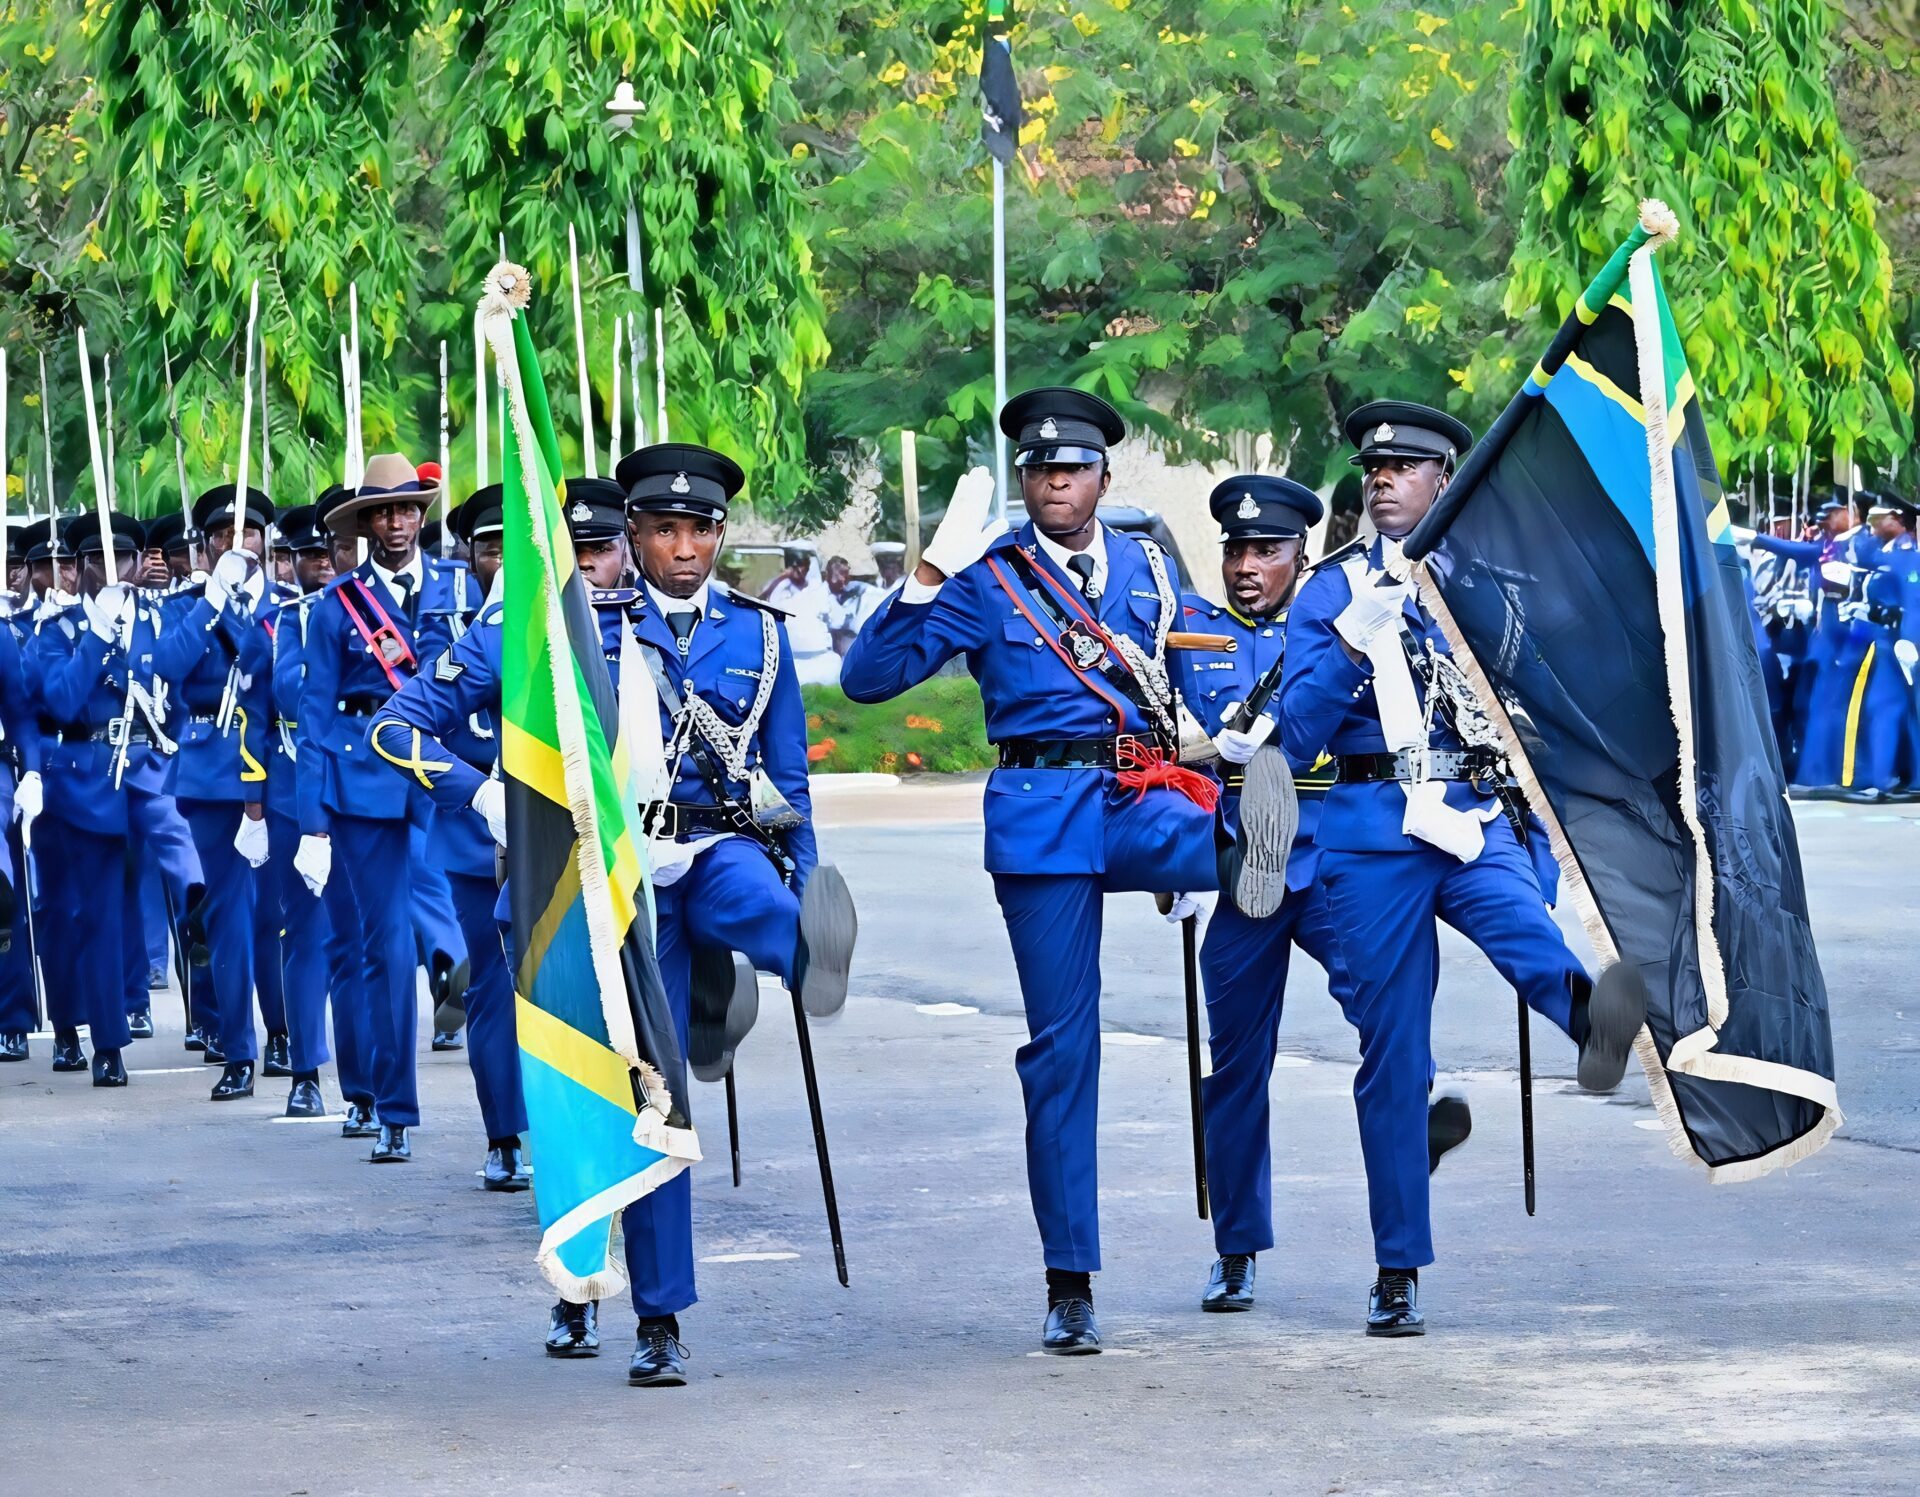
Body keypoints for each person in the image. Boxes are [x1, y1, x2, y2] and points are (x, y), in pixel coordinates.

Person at [379, 441, 856, 1386]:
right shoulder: (553, 635)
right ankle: (643, 1311)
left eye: (698, 530)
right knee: (635, 1101)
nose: (680, 547)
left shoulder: (757, 635)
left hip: (707, 852)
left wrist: (808, 876)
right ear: (632, 538)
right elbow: (398, 723)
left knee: (760, 899)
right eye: (657, 530)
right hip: (599, 891)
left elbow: (789, 778)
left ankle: (799, 953)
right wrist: (485, 797)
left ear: (720, 537)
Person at [841, 387, 1294, 1355]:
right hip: (1043, 818)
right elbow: (868, 680)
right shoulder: (986, 577)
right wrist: (926, 571)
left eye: (1073, 468)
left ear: (1102, 477)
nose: (1056, 481)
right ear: (1023, 482)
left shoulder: (1148, 571)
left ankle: (1235, 851)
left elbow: (1221, 660)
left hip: (1141, 799)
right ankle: (1069, 1282)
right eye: (1040, 470)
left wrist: (1249, 726)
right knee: (1063, 1054)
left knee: (1257, 849)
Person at [1277, 401, 1648, 1338]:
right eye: (1374, 469)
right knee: (1393, 1056)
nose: (1383, 480)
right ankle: (1397, 1265)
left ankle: (1599, 1031)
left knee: (1531, 940)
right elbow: (1298, 736)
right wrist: (1356, 644)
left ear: (1447, 481)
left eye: (1404, 468)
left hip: (1476, 818)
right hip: (1371, 831)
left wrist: (1543, 831)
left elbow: (1541, 706)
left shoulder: (1487, 582)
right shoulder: (1328, 592)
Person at [297, 453, 480, 1162]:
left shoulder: (458, 588)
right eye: (383, 511)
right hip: (363, 777)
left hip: (443, 773)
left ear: (421, 515)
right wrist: (312, 820)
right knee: (381, 946)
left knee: (461, 915)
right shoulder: (336, 603)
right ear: (367, 522)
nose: (396, 522)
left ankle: (452, 968)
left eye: (407, 509)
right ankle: (391, 1106)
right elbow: (314, 715)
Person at [371, 480, 529, 1189]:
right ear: (469, 552)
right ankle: (505, 1136)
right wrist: (478, 789)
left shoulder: (570, 618)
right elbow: (410, 717)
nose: (501, 557)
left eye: (512, 544)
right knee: (494, 990)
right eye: (488, 545)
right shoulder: (448, 620)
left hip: (565, 828)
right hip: (478, 832)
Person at [151, 484, 279, 1101]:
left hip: (274, 767)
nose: (238, 543)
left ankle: (285, 1032)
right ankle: (237, 1047)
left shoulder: (287, 603)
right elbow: (167, 666)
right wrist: (211, 601)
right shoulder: (185, 605)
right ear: (206, 547)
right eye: (224, 536)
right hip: (209, 772)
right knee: (228, 913)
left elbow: (267, 664)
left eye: (248, 533)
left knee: (276, 913)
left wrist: (239, 609)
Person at [27, 513, 161, 1086]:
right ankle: (68, 1027)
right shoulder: (56, 631)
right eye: (98, 560)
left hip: (142, 774)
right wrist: (97, 636)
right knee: (67, 913)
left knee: (113, 913)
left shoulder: (153, 623)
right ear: (78, 568)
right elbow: (59, 699)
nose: (111, 569)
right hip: (76, 778)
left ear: (135, 563)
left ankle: (112, 1037)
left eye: (121, 558)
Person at [1849, 497, 1920, 803]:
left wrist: (1909, 639)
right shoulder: (1884, 550)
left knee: (1907, 712)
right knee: (1885, 709)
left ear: (1899, 520)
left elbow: (1913, 602)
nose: (1875, 523)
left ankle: (1905, 779)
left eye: (1883, 518)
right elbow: (1863, 556)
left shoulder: (1908, 554)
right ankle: (1883, 778)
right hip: (1886, 641)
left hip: (1904, 645)